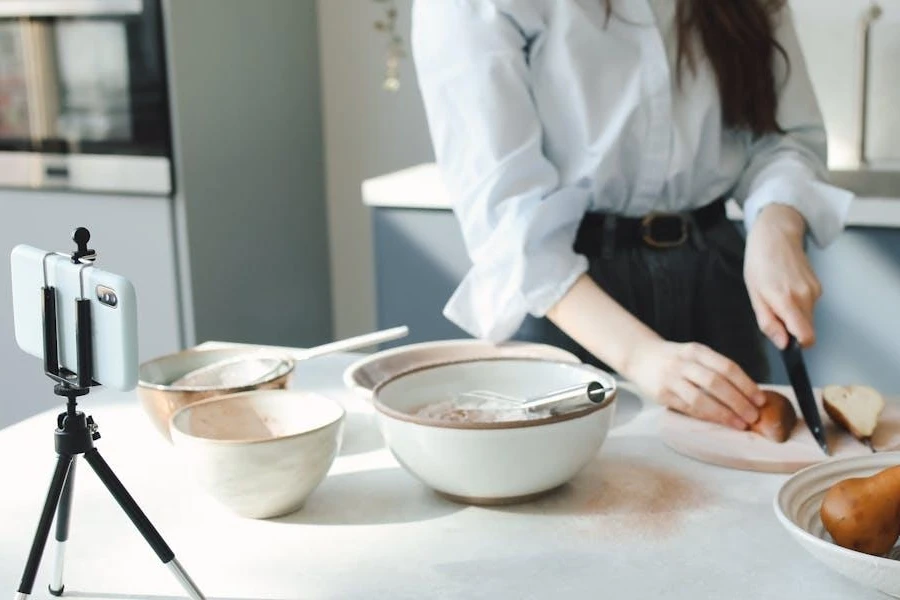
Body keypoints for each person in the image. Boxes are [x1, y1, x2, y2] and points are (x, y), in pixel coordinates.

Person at [411, 0, 853, 430]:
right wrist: (640, 356)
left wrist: (777, 226)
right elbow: (507, 219)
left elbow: (784, 140)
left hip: (715, 275)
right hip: (569, 299)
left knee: (743, 487)